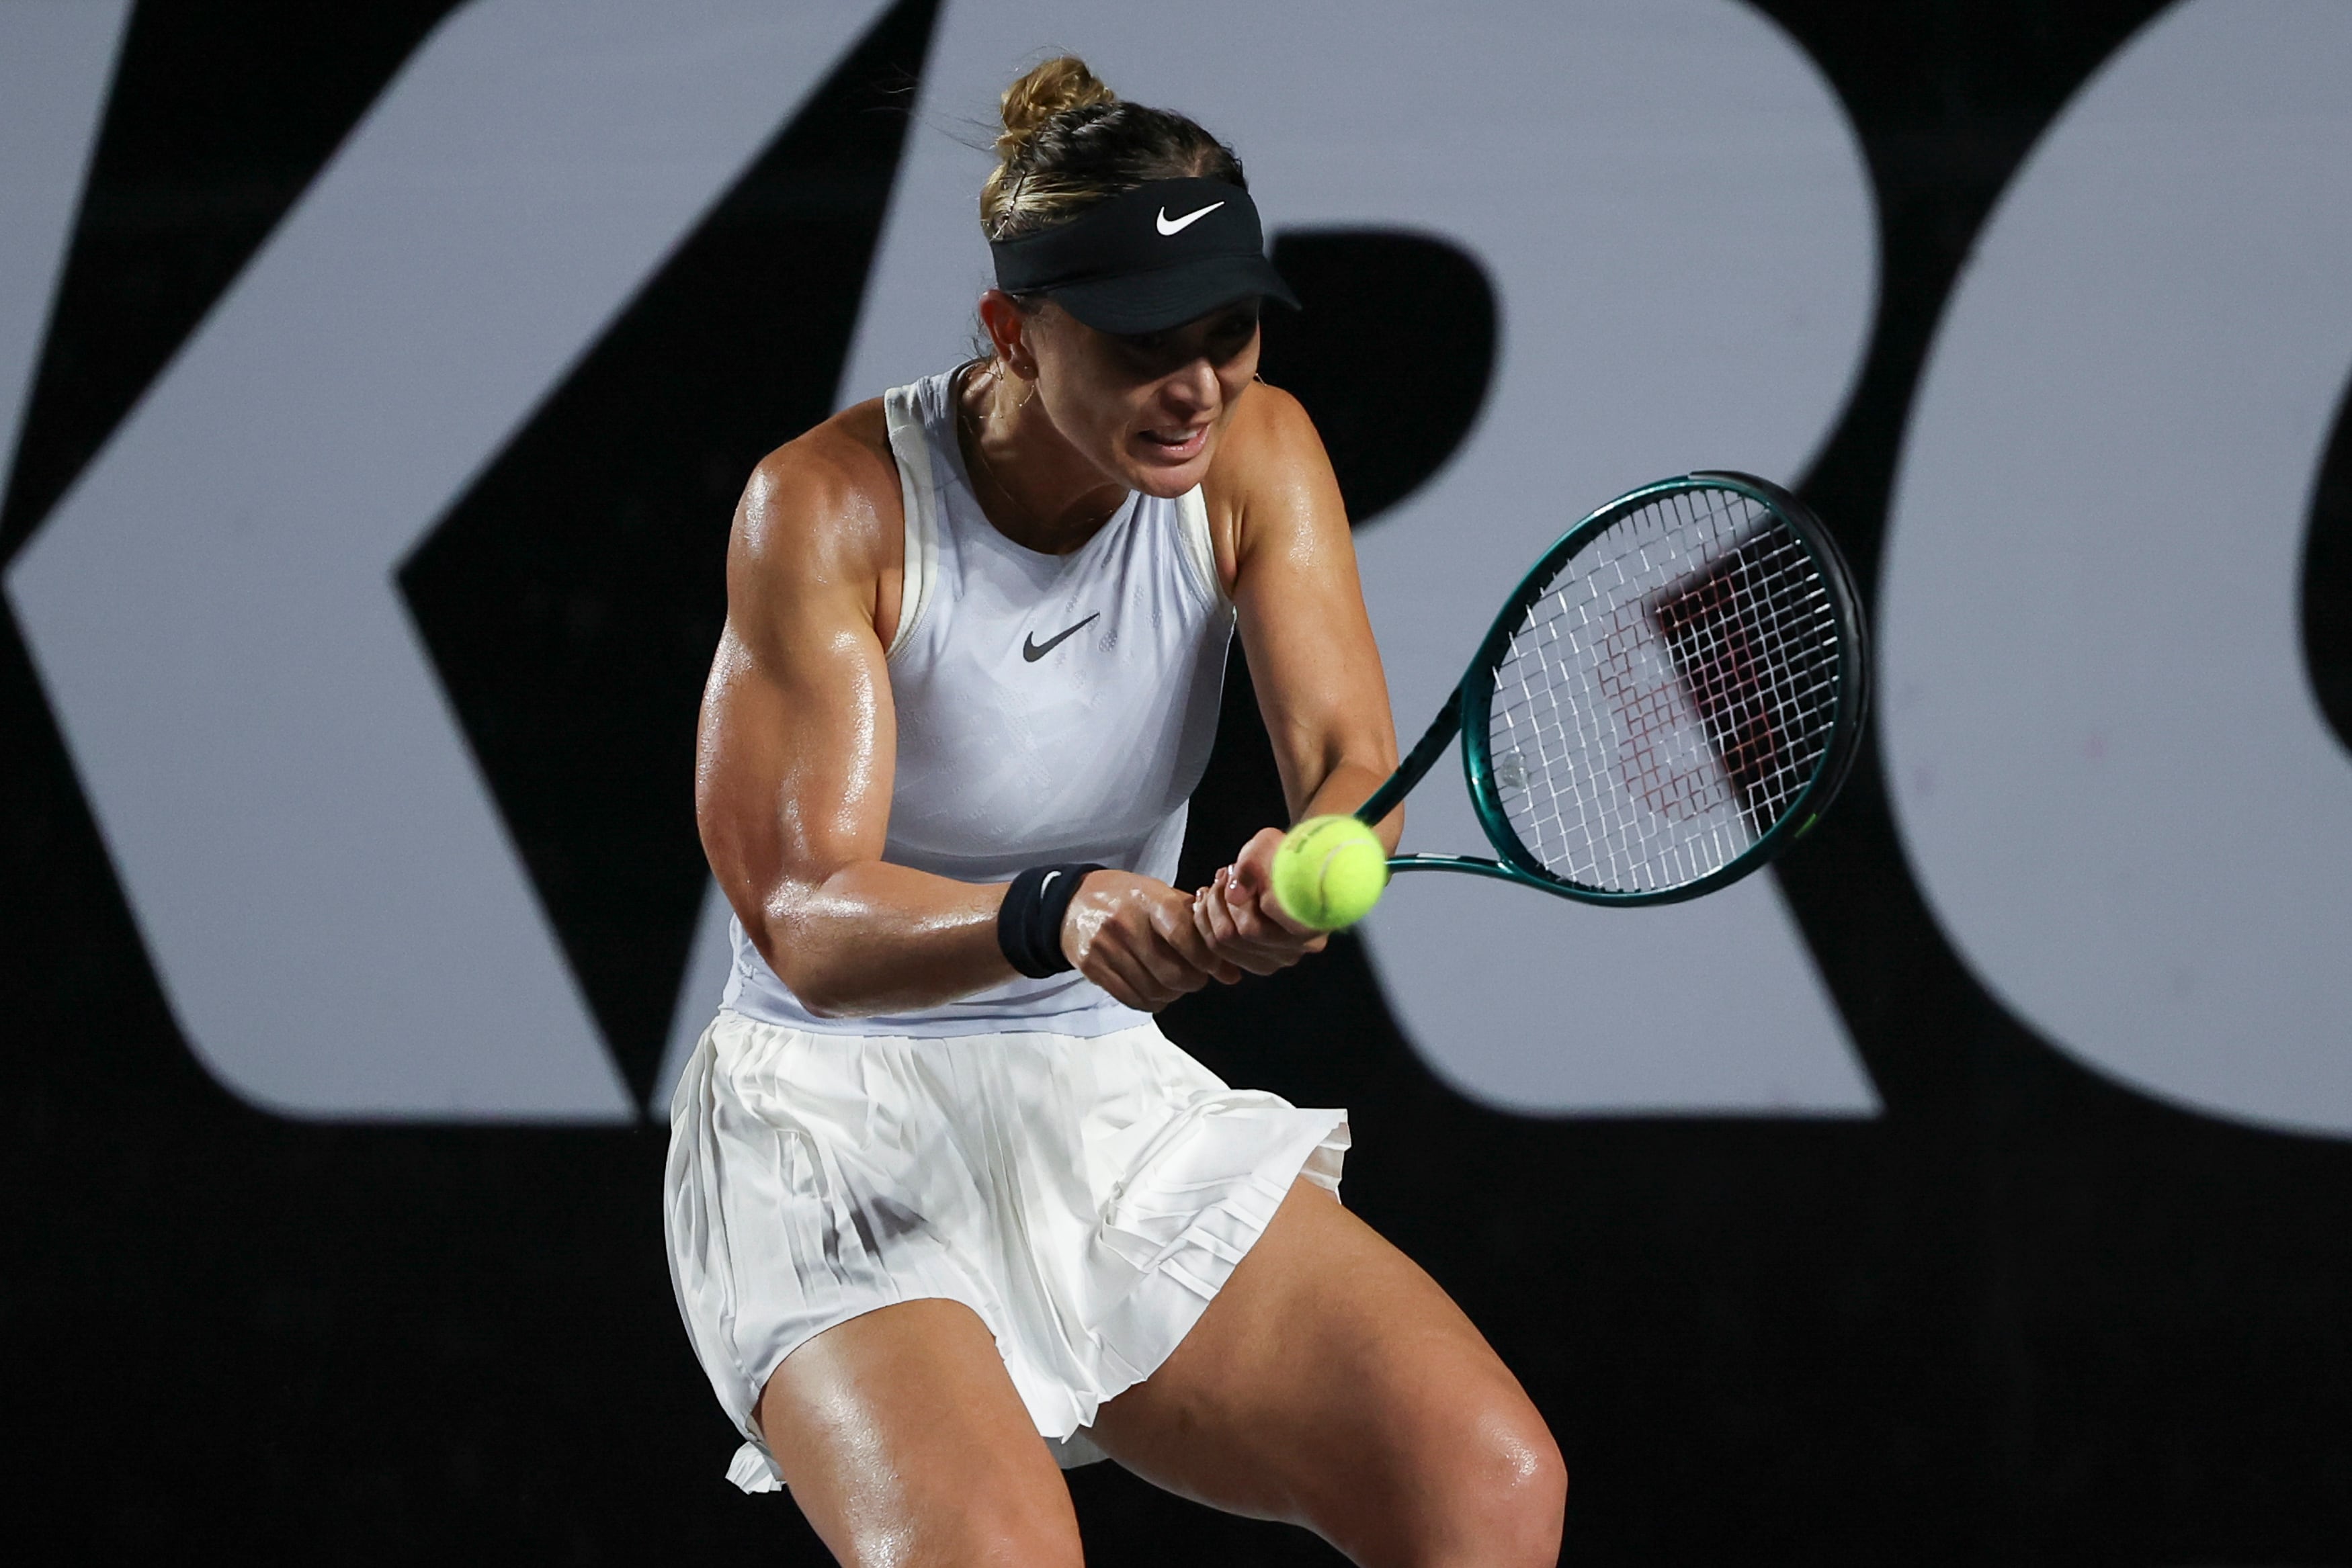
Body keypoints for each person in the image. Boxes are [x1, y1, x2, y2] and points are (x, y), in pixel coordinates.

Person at [665, 55, 1566, 1567]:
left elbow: (1351, 756)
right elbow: (805, 918)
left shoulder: (1258, 455)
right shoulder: (829, 508)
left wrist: (1310, 866)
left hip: (1091, 1099)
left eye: (1228, 332)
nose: (1199, 384)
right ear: (1013, 332)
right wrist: (1055, 912)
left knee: (1486, 1485)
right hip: (831, 1126)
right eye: (1148, 342)